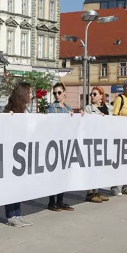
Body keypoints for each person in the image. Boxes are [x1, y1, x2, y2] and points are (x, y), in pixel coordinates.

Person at [3, 83, 34, 227]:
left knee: (19, 185)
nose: (32, 96)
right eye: (30, 93)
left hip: (21, 153)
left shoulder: (24, 111)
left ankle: (18, 213)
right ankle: (11, 215)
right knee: (11, 185)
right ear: (23, 95)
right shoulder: (9, 111)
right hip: (11, 154)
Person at [45, 83, 74, 212]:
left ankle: (60, 201)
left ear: (64, 93)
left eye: (59, 92)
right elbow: (50, 123)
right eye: (54, 93)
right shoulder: (52, 107)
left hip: (65, 144)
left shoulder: (68, 107)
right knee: (54, 174)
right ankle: (51, 202)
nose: (57, 95)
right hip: (55, 143)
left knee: (63, 174)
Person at [82, 86, 110, 204]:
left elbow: (116, 119)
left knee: (99, 167)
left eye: (94, 94)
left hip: (104, 140)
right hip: (92, 141)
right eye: (91, 94)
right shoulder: (88, 108)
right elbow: (86, 121)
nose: (92, 96)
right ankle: (90, 193)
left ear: (101, 96)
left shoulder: (108, 107)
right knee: (91, 167)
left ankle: (97, 191)